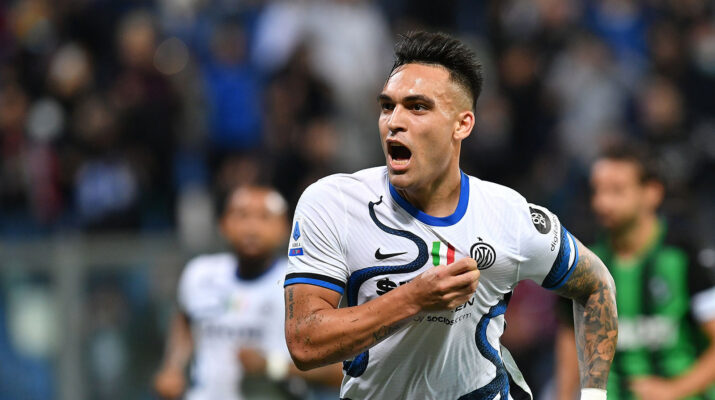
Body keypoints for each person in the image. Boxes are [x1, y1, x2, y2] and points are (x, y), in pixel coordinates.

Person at [283, 31, 618, 400]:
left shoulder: (508, 214)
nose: (394, 121)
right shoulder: (334, 203)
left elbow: (596, 283)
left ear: (462, 125)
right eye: (387, 106)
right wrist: (414, 298)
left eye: (417, 107)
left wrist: (594, 395)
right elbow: (304, 342)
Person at [554, 144, 715, 400]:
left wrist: (674, 390)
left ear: (652, 193)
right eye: (597, 190)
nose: (602, 202)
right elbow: (569, 335)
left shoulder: (684, 254)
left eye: (617, 190)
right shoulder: (581, 259)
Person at [153, 185, 342, 400]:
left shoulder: (303, 285)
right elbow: (185, 320)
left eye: (264, 217)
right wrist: (173, 366)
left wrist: (272, 366)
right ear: (223, 224)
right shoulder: (199, 273)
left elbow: (339, 371)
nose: (252, 228)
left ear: (286, 228)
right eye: (242, 215)